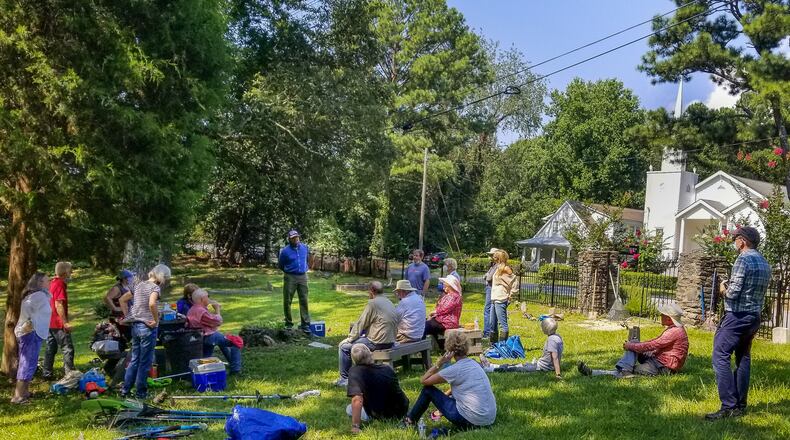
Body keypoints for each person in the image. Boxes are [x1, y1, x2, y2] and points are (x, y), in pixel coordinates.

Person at [706, 226, 771, 420]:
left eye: (735, 239)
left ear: (742, 241)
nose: (734, 242)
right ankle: (740, 405)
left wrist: (723, 287)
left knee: (720, 355)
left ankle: (728, 406)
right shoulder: (764, 261)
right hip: (754, 317)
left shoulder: (743, 259)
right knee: (743, 357)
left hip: (736, 316)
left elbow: (733, 293)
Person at [402, 330, 497, 429]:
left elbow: (424, 380)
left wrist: (440, 362)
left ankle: (410, 421)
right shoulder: (475, 364)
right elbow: (463, 388)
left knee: (428, 390)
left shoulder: (455, 369)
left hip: (471, 421)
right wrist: (443, 397)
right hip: (489, 418)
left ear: (449, 349)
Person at [578, 303, 688, 378]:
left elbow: (653, 344)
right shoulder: (675, 329)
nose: (660, 316)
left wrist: (630, 346)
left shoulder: (674, 332)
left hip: (663, 367)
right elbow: (655, 343)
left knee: (631, 365)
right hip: (658, 360)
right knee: (634, 344)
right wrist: (634, 345)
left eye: (662, 315)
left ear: (669, 318)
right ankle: (625, 369)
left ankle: (596, 372)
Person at [119, 263, 171, 399]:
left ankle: (125, 390)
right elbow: (152, 303)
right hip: (147, 327)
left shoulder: (139, 285)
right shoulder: (155, 288)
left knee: (134, 359)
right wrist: (156, 320)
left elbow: (122, 300)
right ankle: (141, 392)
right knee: (145, 361)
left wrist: (127, 316)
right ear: (162, 277)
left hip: (135, 326)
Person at [334, 281, 398, 387]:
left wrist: (350, 338)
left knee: (344, 347)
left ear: (372, 291)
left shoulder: (372, 303)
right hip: (391, 341)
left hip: (377, 342)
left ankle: (345, 379)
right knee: (359, 340)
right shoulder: (389, 302)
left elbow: (361, 323)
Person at [346, 344, 409, 434]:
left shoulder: (355, 372)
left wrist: (355, 426)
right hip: (402, 409)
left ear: (354, 359)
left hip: (382, 414)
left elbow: (357, 400)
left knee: (349, 409)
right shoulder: (387, 368)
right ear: (370, 354)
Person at [11, 272, 52, 404]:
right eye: (47, 280)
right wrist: (30, 322)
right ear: (40, 283)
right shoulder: (38, 295)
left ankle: (25, 392)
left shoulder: (38, 295)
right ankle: (18, 397)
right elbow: (28, 308)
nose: (49, 282)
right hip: (31, 333)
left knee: (30, 363)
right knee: (27, 363)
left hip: (32, 332)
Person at [481, 317, 563, 379]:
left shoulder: (551, 340)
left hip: (542, 367)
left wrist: (558, 374)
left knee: (517, 368)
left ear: (545, 329)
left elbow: (555, 357)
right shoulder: (557, 337)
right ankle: (494, 365)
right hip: (542, 364)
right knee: (522, 365)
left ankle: (492, 368)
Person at [187, 289, 242, 374]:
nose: (209, 298)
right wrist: (217, 309)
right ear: (202, 299)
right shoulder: (201, 311)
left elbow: (208, 321)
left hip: (199, 337)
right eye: (207, 297)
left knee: (210, 352)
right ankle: (236, 369)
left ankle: (203, 371)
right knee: (236, 341)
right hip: (208, 337)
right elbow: (218, 322)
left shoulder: (192, 309)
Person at [42, 261, 75, 379]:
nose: (72, 272)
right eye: (70, 270)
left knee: (50, 348)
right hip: (57, 322)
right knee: (67, 348)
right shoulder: (60, 283)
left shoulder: (52, 283)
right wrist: (65, 322)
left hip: (49, 322)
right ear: (65, 272)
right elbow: (58, 304)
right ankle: (70, 375)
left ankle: (47, 373)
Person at [279, 229, 311, 334]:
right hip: (290, 277)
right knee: (287, 301)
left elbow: (307, 259)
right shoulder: (285, 251)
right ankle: (288, 324)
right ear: (289, 239)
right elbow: (281, 265)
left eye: (296, 237)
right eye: (293, 238)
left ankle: (305, 324)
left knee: (304, 300)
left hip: (303, 276)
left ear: (299, 237)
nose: (295, 239)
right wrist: (289, 272)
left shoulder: (305, 248)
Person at [423, 276, 463, 351]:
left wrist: (434, 312)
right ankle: (441, 346)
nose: (443, 286)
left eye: (445, 284)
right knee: (427, 324)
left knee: (425, 326)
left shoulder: (454, 296)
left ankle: (420, 348)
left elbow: (444, 309)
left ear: (450, 286)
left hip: (447, 322)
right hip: (441, 320)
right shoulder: (449, 295)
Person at [489, 250, 518, 344]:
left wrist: (511, 296)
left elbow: (515, 283)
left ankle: (502, 347)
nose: (493, 258)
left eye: (494, 257)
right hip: (494, 298)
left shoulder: (506, 268)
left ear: (499, 258)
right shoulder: (498, 268)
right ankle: (493, 345)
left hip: (501, 299)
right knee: (492, 324)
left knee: (502, 324)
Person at [482, 248, 499, 338]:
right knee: (489, 310)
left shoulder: (497, 266)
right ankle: (489, 331)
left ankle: (487, 332)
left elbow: (488, 278)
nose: (491, 257)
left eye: (492, 255)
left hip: (491, 288)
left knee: (487, 310)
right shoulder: (493, 265)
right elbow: (486, 275)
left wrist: (486, 276)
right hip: (489, 288)